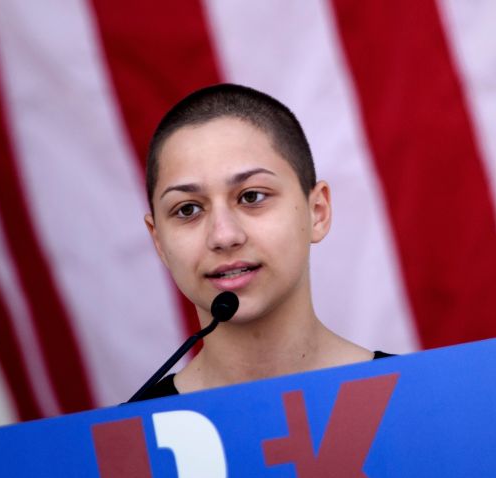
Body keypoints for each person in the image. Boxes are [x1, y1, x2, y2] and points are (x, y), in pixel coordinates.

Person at [132, 83, 387, 401]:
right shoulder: (130, 440)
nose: (224, 236)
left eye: (251, 196)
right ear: (158, 241)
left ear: (317, 213)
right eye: (188, 209)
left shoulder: (420, 402)